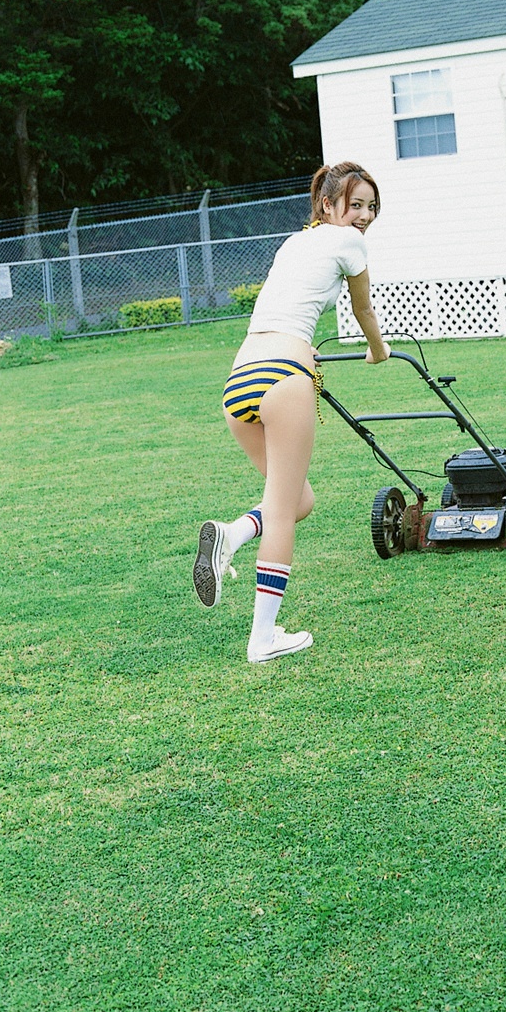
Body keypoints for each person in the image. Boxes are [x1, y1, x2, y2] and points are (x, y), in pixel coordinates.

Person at [193, 161, 390, 662]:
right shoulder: (348, 242)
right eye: (356, 204)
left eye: (371, 206)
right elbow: (364, 310)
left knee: (298, 500)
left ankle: (232, 535)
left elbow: (285, 309)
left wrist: (302, 349)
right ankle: (263, 639)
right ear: (328, 205)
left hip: (240, 379)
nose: (365, 215)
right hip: (283, 379)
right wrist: (377, 349)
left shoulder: (294, 242)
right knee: (283, 510)